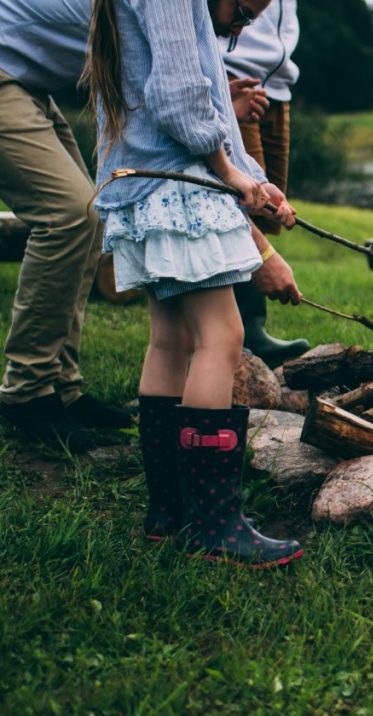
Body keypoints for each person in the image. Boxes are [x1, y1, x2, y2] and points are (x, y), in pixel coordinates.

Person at [85, 0, 305, 568]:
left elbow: (199, 107)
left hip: (143, 181)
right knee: (221, 339)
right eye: (244, 7)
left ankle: (170, 513)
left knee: (172, 342)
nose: (244, 23)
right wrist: (233, 178)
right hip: (176, 185)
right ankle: (214, 524)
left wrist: (257, 184)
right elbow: (180, 97)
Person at [0, 0, 134, 452]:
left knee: (90, 217)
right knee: (70, 215)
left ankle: (61, 385)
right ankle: (26, 390)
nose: (235, 29)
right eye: (240, 15)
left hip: (29, 84)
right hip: (5, 74)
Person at [220, 0, 310, 368]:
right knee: (240, 201)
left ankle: (248, 325)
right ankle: (243, 328)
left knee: (269, 208)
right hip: (234, 73)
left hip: (279, 83)